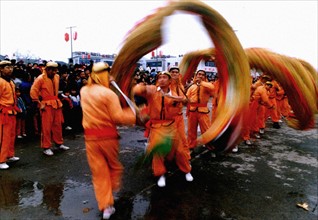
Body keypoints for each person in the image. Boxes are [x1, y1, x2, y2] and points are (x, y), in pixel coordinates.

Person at [80, 62, 137, 219]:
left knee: (99, 172)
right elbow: (118, 117)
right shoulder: (108, 94)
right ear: (105, 75)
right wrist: (136, 115)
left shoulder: (84, 90)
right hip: (108, 137)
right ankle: (112, 190)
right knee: (114, 167)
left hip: (90, 138)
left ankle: (106, 206)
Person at [133, 71, 193, 188]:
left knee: (180, 150)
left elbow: (186, 101)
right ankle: (160, 174)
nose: (161, 79)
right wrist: (141, 87)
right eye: (159, 77)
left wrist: (175, 98)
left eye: (165, 77)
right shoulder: (152, 90)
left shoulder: (174, 92)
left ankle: (187, 170)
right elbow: (137, 90)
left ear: (169, 81)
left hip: (171, 125)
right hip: (156, 127)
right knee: (158, 152)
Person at [30, 61, 69, 156]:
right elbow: (33, 91)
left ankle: (59, 143)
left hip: (56, 103)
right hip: (46, 105)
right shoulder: (40, 79)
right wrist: (39, 103)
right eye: (52, 70)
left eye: (55, 70)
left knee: (58, 125)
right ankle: (46, 147)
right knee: (46, 127)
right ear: (47, 69)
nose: (54, 72)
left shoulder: (57, 77)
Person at [186, 70, 215, 151]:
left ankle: (210, 147)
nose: (200, 76)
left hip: (203, 110)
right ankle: (191, 146)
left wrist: (201, 83)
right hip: (192, 111)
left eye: (202, 75)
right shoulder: (192, 86)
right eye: (199, 74)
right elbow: (187, 97)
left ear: (205, 77)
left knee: (206, 130)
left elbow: (212, 88)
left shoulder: (208, 85)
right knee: (191, 130)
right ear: (196, 75)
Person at [0, 60, 20, 169]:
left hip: (12, 111)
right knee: (3, 137)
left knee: (12, 135)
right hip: (3, 113)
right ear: (1, 69)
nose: (10, 69)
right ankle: (1, 159)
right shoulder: (0, 82)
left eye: (11, 67)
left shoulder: (11, 82)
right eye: (7, 67)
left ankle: (9, 154)